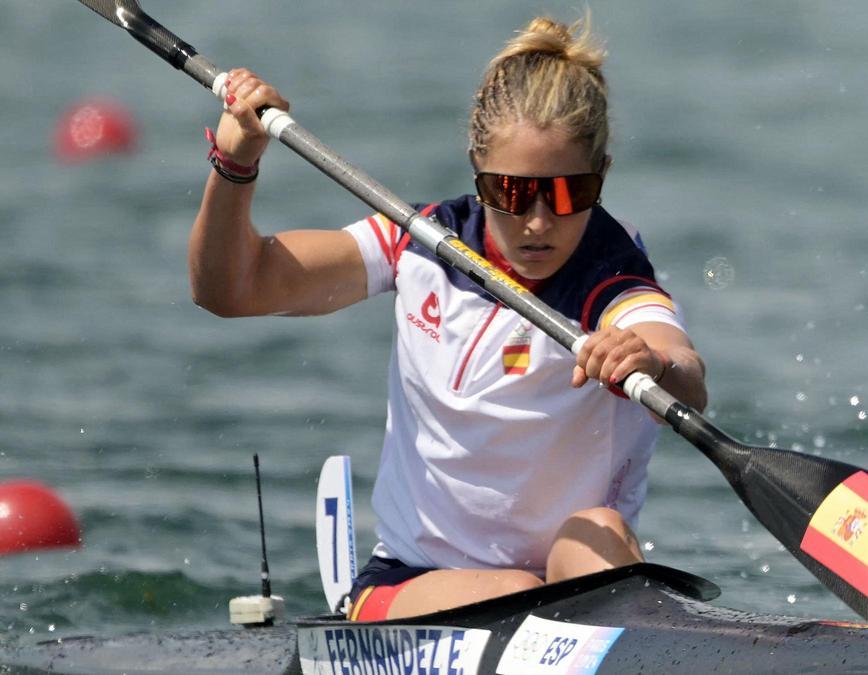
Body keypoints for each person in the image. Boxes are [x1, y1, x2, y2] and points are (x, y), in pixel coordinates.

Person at [190, 14, 707, 621]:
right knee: (517, 591)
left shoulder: (612, 276)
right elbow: (231, 288)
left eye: (567, 194)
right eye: (512, 193)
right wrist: (235, 164)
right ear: (476, 170)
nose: (538, 222)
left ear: (603, 177)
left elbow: (686, 377)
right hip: (415, 580)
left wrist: (652, 363)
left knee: (594, 531)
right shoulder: (417, 241)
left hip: (572, 586)